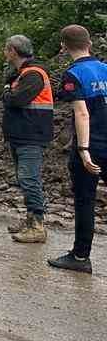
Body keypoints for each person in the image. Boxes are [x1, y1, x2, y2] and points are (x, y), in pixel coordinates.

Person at [48, 25, 105, 273]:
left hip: (92, 146)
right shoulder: (104, 68)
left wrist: (83, 149)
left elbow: (82, 113)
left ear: (63, 46)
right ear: (89, 43)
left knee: (85, 200)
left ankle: (81, 257)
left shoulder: (74, 74)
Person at [0, 34, 54, 244]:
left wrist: (6, 91)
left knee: (29, 178)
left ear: (13, 50)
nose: (4, 53)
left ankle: (37, 225)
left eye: (6, 49)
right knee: (25, 178)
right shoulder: (21, 74)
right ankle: (31, 219)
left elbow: (16, 100)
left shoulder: (33, 74)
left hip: (32, 135)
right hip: (23, 134)